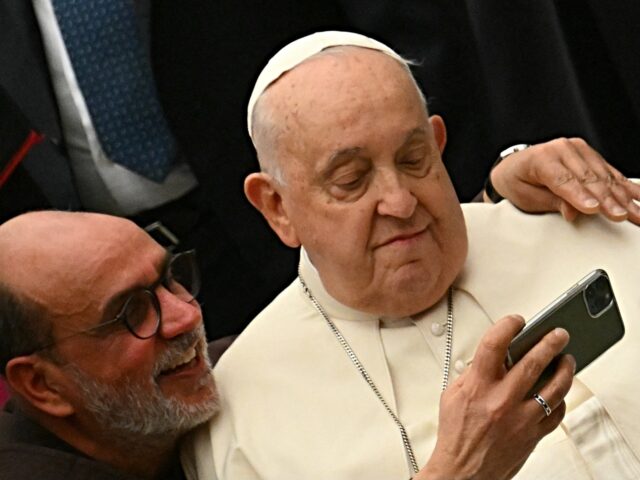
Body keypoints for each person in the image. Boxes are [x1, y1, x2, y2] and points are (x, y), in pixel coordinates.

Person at [186, 32, 640, 480]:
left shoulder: (592, 223)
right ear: (277, 208)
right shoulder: (242, 423)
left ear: (438, 143)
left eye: (412, 159)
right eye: (351, 179)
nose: (400, 202)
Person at [0, 211, 219, 479]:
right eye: (131, 312)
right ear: (43, 385)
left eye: (169, 279)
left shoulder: (247, 364)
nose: (187, 315)